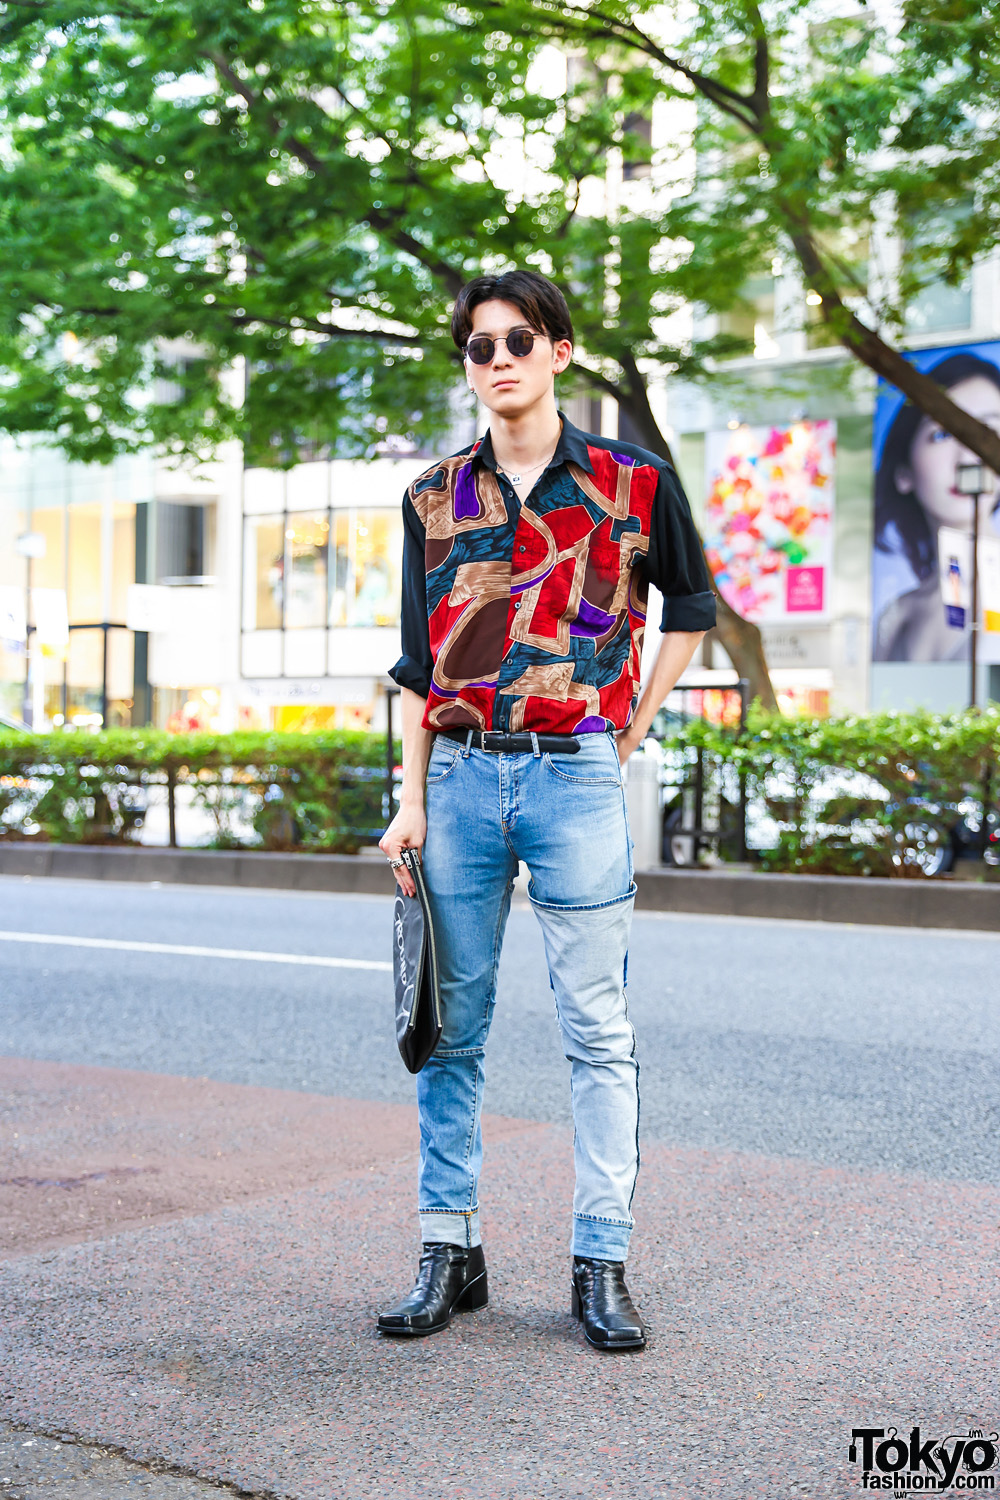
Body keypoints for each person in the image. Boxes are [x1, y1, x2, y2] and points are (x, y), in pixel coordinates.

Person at [378, 269, 715, 1351]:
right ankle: (449, 1250)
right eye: (480, 346)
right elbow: (419, 669)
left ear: (560, 350)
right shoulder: (432, 497)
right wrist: (409, 802)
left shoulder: (631, 483)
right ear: (468, 367)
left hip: (574, 779)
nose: (501, 358)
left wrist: (635, 724)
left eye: (520, 338)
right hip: (463, 785)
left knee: (596, 1035)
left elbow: (691, 608)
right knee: (447, 1035)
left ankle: (600, 1262)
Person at [873, 352, 1000, 662]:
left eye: (988, 433)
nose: (968, 458)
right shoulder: (897, 617)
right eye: (943, 434)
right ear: (904, 472)